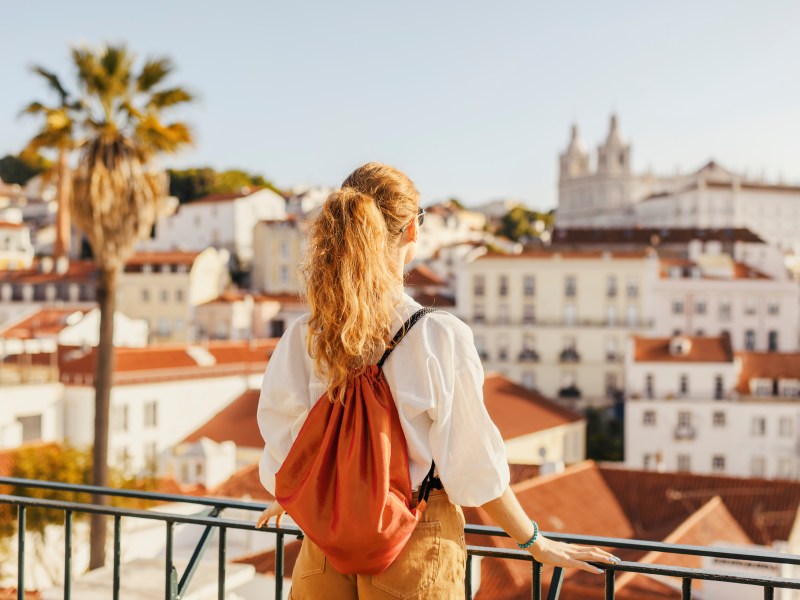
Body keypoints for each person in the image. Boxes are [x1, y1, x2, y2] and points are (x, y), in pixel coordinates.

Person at [255, 162, 619, 599]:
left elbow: (284, 440)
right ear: (412, 230)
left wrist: (301, 495)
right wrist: (532, 541)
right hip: (413, 538)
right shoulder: (436, 337)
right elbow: (471, 463)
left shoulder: (304, 335)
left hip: (325, 542)